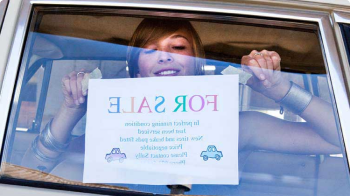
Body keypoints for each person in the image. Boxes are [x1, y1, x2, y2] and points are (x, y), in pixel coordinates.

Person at [22, 18, 340, 188]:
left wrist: (284, 91)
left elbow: (337, 139)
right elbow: (30, 173)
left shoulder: (237, 126)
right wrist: (71, 109)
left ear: (196, 61)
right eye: (150, 50)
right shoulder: (112, 128)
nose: (165, 55)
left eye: (178, 46)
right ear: (136, 67)